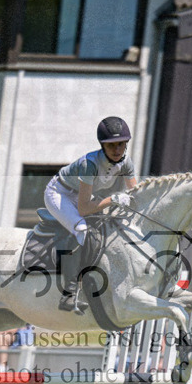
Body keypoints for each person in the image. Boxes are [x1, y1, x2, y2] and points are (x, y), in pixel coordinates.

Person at [44, 116, 137, 312]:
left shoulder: (127, 163)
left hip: (81, 194)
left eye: (121, 144)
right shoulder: (90, 164)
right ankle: (68, 293)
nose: (117, 150)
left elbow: (135, 194)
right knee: (82, 228)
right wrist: (113, 200)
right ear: (103, 146)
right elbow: (84, 209)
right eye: (111, 146)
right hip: (59, 193)